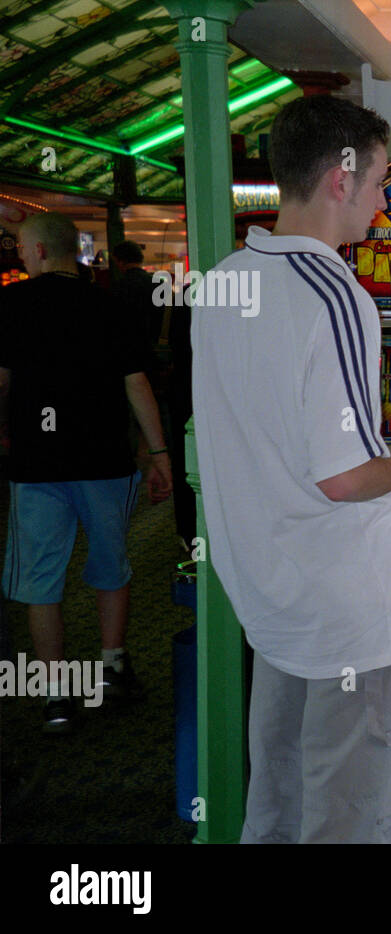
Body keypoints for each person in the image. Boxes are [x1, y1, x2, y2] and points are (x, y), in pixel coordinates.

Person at [191, 95, 391, 844]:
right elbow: (340, 476)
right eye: (380, 181)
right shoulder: (335, 293)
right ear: (341, 177)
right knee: (346, 810)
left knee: (276, 798)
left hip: (271, 591)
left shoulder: (225, 281)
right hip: (345, 604)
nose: (385, 198)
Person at [0, 211, 172, 733]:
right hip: (104, 462)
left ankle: (55, 696)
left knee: (40, 580)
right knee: (110, 564)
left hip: (35, 466)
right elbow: (136, 383)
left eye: (23, 250)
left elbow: (1, 384)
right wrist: (158, 454)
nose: (20, 257)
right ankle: (111, 668)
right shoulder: (110, 304)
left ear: (39, 252)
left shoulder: (9, 305)